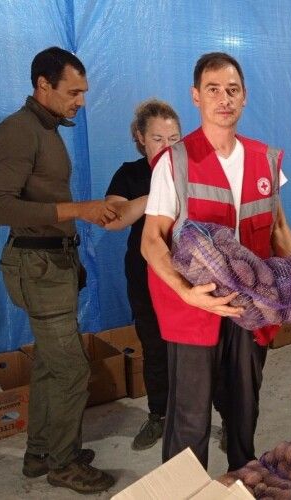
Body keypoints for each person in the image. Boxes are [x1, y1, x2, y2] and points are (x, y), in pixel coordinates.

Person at [141, 52, 291, 471]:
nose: (223, 98)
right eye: (213, 89)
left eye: (232, 90)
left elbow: (278, 227)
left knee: (244, 411)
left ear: (244, 97)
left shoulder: (266, 159)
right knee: (190, 420)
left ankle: (245, 482)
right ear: (196, 96)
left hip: (250, 310)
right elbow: (152, 240)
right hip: (194, 310)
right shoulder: (174, 163)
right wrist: (188, 293)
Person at [0, 47, 116, 493]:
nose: (80, 102)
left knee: (49, 362)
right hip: (36, 263)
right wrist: (78, 210)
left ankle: (39, 453)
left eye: (84, 92)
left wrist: (78, 228)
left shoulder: (46, 128)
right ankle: (63, 464)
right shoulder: (18, 131)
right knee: (71, 369)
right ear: (43, 85)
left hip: (52, 259)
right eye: (73, 92)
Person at [104, 99, 181, 450]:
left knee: (207, 351)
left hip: (190, 278)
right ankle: (158, 416)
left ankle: (223, 417)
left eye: (174, 139)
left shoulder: (193, 170)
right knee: (155, 349)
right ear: (140, 138)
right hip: (145, 277)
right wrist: (159, 191)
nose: (167, 147)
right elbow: (115, 219)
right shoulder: (131, 174)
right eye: (157, 139)